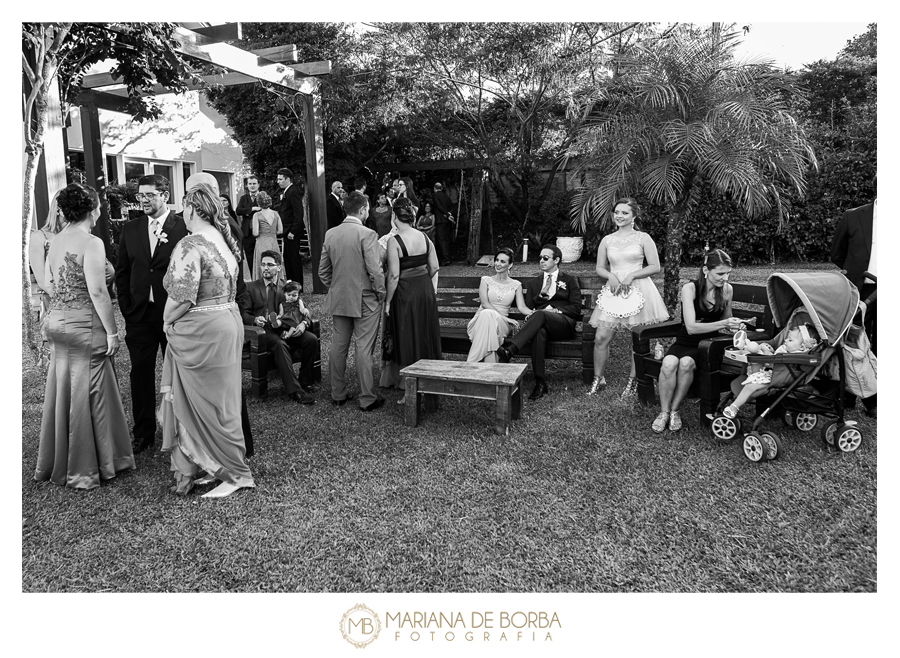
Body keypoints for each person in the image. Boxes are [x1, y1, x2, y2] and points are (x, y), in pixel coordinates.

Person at [35, 183, 135, 489]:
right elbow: (97, 291)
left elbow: (54, 285)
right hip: (83, 326)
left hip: (58, 323)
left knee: (63, 389)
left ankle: (61, 460)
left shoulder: (56, 240)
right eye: (100, 204)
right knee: (90, 391)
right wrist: (112, 331)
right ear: (93, 209)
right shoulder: (91, 243)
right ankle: (88, 466)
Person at [158, 183, 254, 498]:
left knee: (209, 404)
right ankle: (218, 464)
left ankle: (235, 473)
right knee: (223, 403)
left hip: (203, 331)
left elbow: (183, 296)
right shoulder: (225, 241)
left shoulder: (190, 244)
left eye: (182, 207)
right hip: (229, 322)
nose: (179, 213)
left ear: (193, 209)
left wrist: (167, 319)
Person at [115, 174, 188, 453]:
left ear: (164, 196)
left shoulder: (182, 227)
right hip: (140, 316)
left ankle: (182, 428)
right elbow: (122, 272)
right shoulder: (130, 229)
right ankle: (143, 433)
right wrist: (127, 307)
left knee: (180, 373)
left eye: (149, 195)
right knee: (140, 374)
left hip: (174, 314)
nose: (143, 201)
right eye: (140, 196)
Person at [587, 198, 669, 399]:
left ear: (634, 215)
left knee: (637, 339)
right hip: (614, 291)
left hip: (639, 290)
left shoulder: (643, 238)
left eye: (624, 212)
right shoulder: (607, 240)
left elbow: (655, 266)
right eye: (617, 212)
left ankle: (633, 381)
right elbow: (599, 267)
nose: (619, 216)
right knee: (601, 337)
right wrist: (611, 276)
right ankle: (598, 378)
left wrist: (632, 275)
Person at [653, 249, 740, 433]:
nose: (725, 278)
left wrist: (735, 326)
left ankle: (675, 410)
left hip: (708, 345)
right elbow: (691, 327)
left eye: (728, 273)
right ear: (706, 270)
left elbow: (726, 322)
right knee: (668, 364)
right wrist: (723, 322)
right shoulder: (690, 289)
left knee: (685, 364)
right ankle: (664, 412)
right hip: (686, 339)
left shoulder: (727, 290)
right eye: (720, 273)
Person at [319, 191, 387, 411]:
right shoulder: (367, 234)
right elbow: (375, 270)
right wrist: (380, 293)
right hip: (366, 299)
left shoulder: (330, 234)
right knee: (363, 347)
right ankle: (367, 397)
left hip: (340, 297)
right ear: (363, 209)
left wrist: (338, 286)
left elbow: (323, 271)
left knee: (339, 345)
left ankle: (337, 394)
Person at [496, 245, 581, 400]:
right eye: (540, 258)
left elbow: (576, 308)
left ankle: (511, 349)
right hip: (540, 324)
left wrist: (555, 311)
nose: (541, 260)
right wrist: (539, 297)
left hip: (563, 324)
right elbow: (528, 308)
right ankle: (540, 382)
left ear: (556, 260)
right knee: (538, 332)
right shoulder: (534, 283)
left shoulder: (569, 280)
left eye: (545, 258)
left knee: (541, 314)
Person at [239, 249, 317, 405]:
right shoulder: (251, 287)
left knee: (311, 339)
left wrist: (303, 324)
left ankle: (305, 380)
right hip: (263, 332)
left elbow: (304, 311)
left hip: (287, 328)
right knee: (280, 344)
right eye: (263, 265)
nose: (265, 268)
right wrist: (255, 320)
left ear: (279, 267)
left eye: (270, 264)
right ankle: (295, 391)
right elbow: (244, 314)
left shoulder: (288, 287)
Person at [384, 197, 441, 403]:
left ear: (394, 216)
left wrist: (388, 301)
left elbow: (393, 276)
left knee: (407, 337)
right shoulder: (425, 238)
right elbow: (434, 267)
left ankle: (411, 392)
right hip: (425, 291)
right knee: (425, 334)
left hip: (406, 294)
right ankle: (430, 382)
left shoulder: (394, 240)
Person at [831, 195, 876, 417]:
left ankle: (874, 400)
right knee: (853, 342)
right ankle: (846, 394)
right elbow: (838, 254)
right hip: (860, 290)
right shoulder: (853, 216)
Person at [722, 324, 820, 419]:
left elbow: (772, 359)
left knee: (750, 386)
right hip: (774, 374)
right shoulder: (789, 349)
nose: (785, 341)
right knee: (754, 357)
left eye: (790, 340)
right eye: (787, 338)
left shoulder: (797, 355)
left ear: (802, 347)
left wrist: (765, 351)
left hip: (779, 378)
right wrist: (765, 347)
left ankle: (733, 408)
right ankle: (746, 347)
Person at [466, 248, 533, 363]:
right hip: (481, 321)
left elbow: (521, 307)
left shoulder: (516, 284)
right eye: (497, 260)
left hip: (502, 325)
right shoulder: (485, 280)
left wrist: (534, 313)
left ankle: (471, 364)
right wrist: (507, 318)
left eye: (502, 261)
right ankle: (491, 367)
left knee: (489, 318)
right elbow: (485, 304)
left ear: (510, 265)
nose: (498, 264)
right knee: (487, 314)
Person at [29, 192, 66, 367]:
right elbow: (42, 280)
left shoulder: (79, 234)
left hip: (81, 303)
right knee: (57, 358)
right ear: (58, 209)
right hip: (54, 302)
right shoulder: (39, 237)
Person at [276, 168, 305, 288]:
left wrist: (293, 231)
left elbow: (298, 213)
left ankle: (297, 285)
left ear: (288, 179)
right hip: (286, 231)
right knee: (288, 258)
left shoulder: (293, 192)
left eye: (280, 179)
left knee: (293, 259)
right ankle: (291, 282)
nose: (278, 181)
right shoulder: (287, 192)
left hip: (291, 232)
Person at [251, 191, 284, 280]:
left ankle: (262, 287)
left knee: (262, 265)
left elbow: (255, 233)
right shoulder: (276, 213)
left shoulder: (257, 215)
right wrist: (272, 233)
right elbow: (280, 230)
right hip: (273, 242)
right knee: (274, 264)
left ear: (258, 202)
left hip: (262, 242)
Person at [235, 175, 261, 272]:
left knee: (261, 257)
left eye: (254, 183)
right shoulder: (244, 198)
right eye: (250, 184)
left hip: (260, 231)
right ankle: (253, 280)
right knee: (250, 258)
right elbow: (238, 211)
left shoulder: (263, 196)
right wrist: (252, 209)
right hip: (247, 233)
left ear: (258, 185)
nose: (252, 186)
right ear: (247, 185)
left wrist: (246, 212)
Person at [432, 181, 455, 265]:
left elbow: (438, 206)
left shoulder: (435, 195)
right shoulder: (447, 197)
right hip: (448, 220)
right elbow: (452, 207)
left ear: (435, 188)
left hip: (440, 220)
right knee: (446, 239)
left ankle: (445, 259)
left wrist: (446, 213)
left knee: (441, 239)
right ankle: (448, 257)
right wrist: (449, 214)